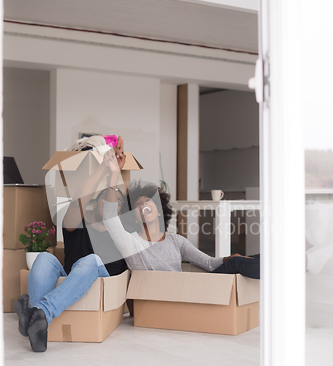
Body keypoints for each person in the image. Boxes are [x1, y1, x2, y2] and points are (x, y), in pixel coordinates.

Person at [14, 137, 128, 353]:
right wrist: (104, 167)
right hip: (72, 281)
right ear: (95, 203)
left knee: (92, 261)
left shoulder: (120, 235)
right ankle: (39, 326)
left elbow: (114, 203)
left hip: (100, 282)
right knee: (44, 258)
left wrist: (114, 175)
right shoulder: (80, 224)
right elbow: (79, 199)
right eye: (105, 197)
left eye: (117, 200)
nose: (112, 201)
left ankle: (37, 312)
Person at [102, 150, 260, 278]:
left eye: (148, 201)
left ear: (159, 211)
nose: (143, 205)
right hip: (161, 299)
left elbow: (210, 264)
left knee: (250, 259)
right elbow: (109, 218)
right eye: (138, 204)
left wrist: (229, 258)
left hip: (183, 292)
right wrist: (114, 175)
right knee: (237, 264)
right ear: (134, 218)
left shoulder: (176, 241)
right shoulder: (131, 243)